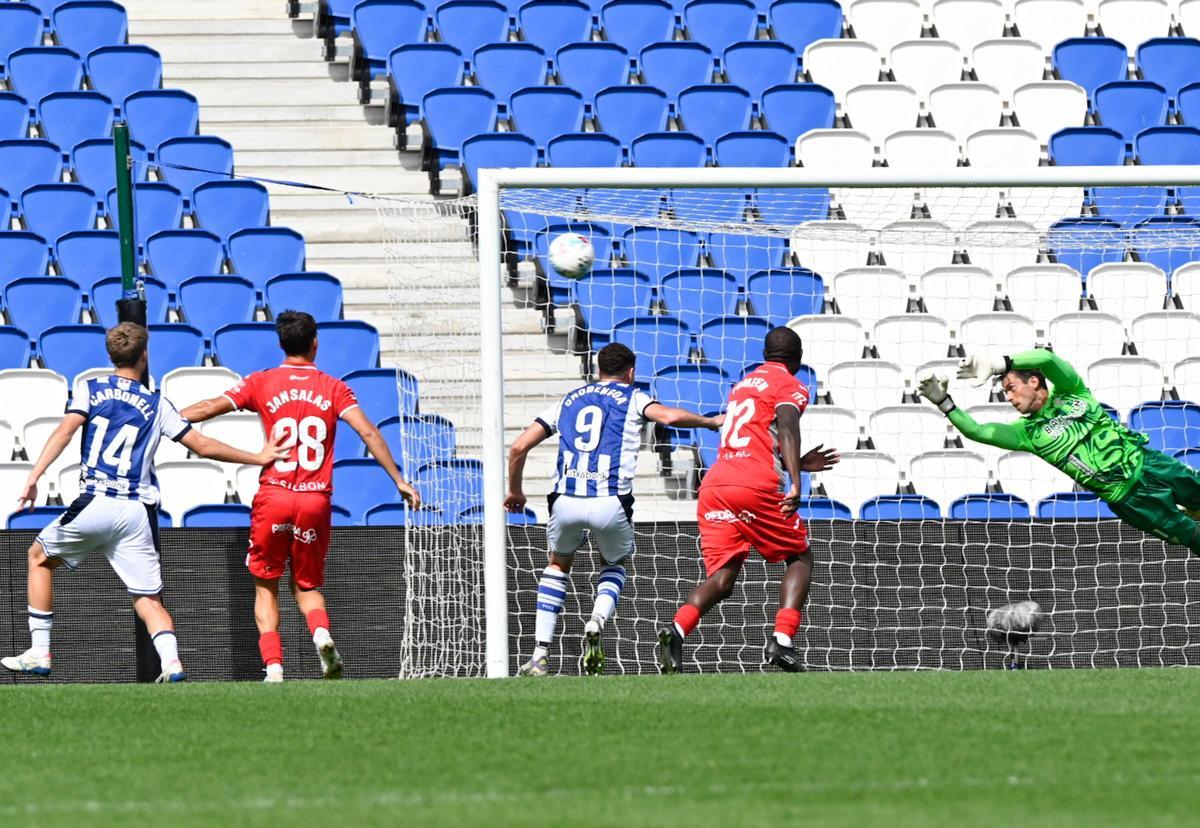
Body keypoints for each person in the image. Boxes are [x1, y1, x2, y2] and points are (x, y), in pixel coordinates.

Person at [2, 322, 288, 681]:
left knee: (38, 558)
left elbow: (64, 431)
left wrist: (34, 477)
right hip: (138, 511)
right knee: (148, 599)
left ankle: (40, 652)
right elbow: (203, 446)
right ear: (144, 355)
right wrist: (258, 457)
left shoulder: (90, 388)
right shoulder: (157, 404)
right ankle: (172, 663)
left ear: (110, 355)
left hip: (97, 501)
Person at [179, 311, 420, 682]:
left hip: (274, 494)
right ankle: (321, 636)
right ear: (315, 343)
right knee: (307, 585)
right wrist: (398, 480)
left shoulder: (261, 382)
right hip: (314, 501)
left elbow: (208, 408)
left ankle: (274, 668)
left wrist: (163, 417)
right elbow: (369, 434)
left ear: (281, 343)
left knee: (265, 584)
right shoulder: (334, 388)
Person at [505, 342, 724, 676]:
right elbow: (669, 416)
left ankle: (539, 654)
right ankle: (596, 621)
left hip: (566, 500)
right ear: (631, 372)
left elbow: (519, 446)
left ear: (597, 369)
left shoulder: (569, 399)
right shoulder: (634, 397)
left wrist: (515, 491)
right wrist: (710, 422)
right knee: (614, 563)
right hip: (609, 501)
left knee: (558, 564)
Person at [658, 327, 839, 674]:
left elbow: (752, 440)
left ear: (765, 353)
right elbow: (787, 426)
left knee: (723, 578)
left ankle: (676, 629)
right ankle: (783, 641)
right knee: (799, 555)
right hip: (754, 484)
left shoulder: (741, 387)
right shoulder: (792, 385)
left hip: (716, 483)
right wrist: (797, 481)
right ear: (798, 358)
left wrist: (797, 461)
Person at [919, 348, 1200, 556]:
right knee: (1194, 537)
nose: (1009, 398)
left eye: (1011, 388)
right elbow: (977, 431)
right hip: (1128, 498)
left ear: (1034, 383)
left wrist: (997, 364)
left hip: (1150, 464)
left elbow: (1048, 359)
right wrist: (944, 402)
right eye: (1005, 393)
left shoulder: (1071, 391)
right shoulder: (1025, 434)